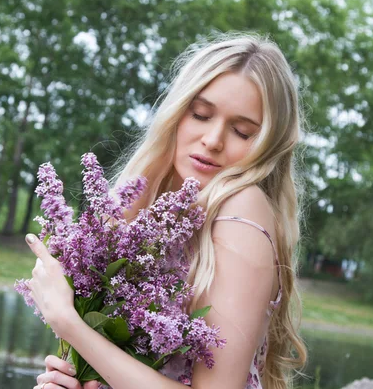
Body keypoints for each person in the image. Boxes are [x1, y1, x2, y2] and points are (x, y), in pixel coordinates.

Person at [25, 32, 307, 389]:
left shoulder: (242, 209)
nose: (213, 140)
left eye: (242, 131)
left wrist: (70, 323)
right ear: (177, 112)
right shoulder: (148, 208)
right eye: (201, 114)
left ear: (269, 145)